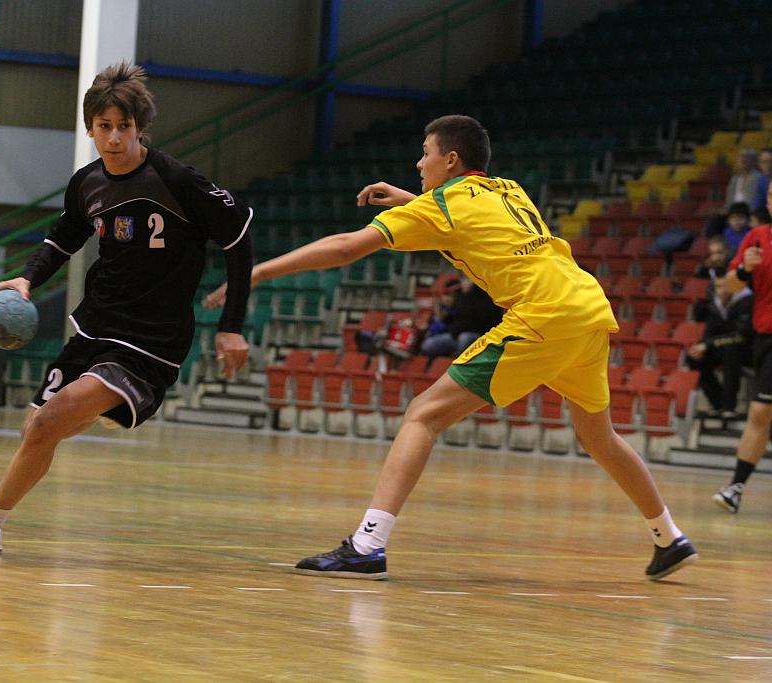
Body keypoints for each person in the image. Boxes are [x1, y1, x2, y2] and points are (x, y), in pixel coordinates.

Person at [206, 115, 697, 581]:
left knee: (423, 414)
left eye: (425, 153)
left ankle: (367, 546)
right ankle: (669, 537)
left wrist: (257, 272)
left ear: (451, 159)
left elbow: (346, 247)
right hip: (587, 309)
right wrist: (409, 202)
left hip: (543, 314)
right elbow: (468, 223)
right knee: (599, 438)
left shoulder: (441, 206)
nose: (419, 163)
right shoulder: (507, 189)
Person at [0, 62, 254, 554]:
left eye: (124, 126)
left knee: (46, 424)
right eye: (105, 126)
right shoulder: (87, 183)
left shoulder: (174, 180)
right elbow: (63, 237)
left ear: (140, 128)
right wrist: (26, 278)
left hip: (151, 338)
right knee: (34, 429)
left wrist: (231, 326)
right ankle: (93, 412)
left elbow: (239, 236)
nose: (115, 137)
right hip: (95, 326)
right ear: (90, 128)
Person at [713, 182, 772, 513]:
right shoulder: (757, 237)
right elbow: (732, 285)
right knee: (762, 413)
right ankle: (735, 488)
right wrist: (744, 268)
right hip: (764, 336)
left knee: (761, 410)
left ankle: (735, 487)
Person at [686, 270, 753, 419]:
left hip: (748, 349)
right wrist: (701, 346)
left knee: (732, 351)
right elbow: (710, 331)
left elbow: (741, 335)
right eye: (717, 286)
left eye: (724, 286)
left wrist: (708, 345)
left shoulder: (747, 301)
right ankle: (717, 402)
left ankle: (729, 406)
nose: (720, 291)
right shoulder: (716, 303)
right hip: (721, 346)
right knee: (694, 357)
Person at [419, 274, 503, 360]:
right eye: (463, 279)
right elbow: (455, 317)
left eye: (468, 280)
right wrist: (444, 317)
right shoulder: (460, 296)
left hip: (478, 335)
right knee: (429, 344)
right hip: (456, 334)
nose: (466, 283)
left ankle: (460, 364)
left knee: (464, 338)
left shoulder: (486, 297)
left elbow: (484, 319)